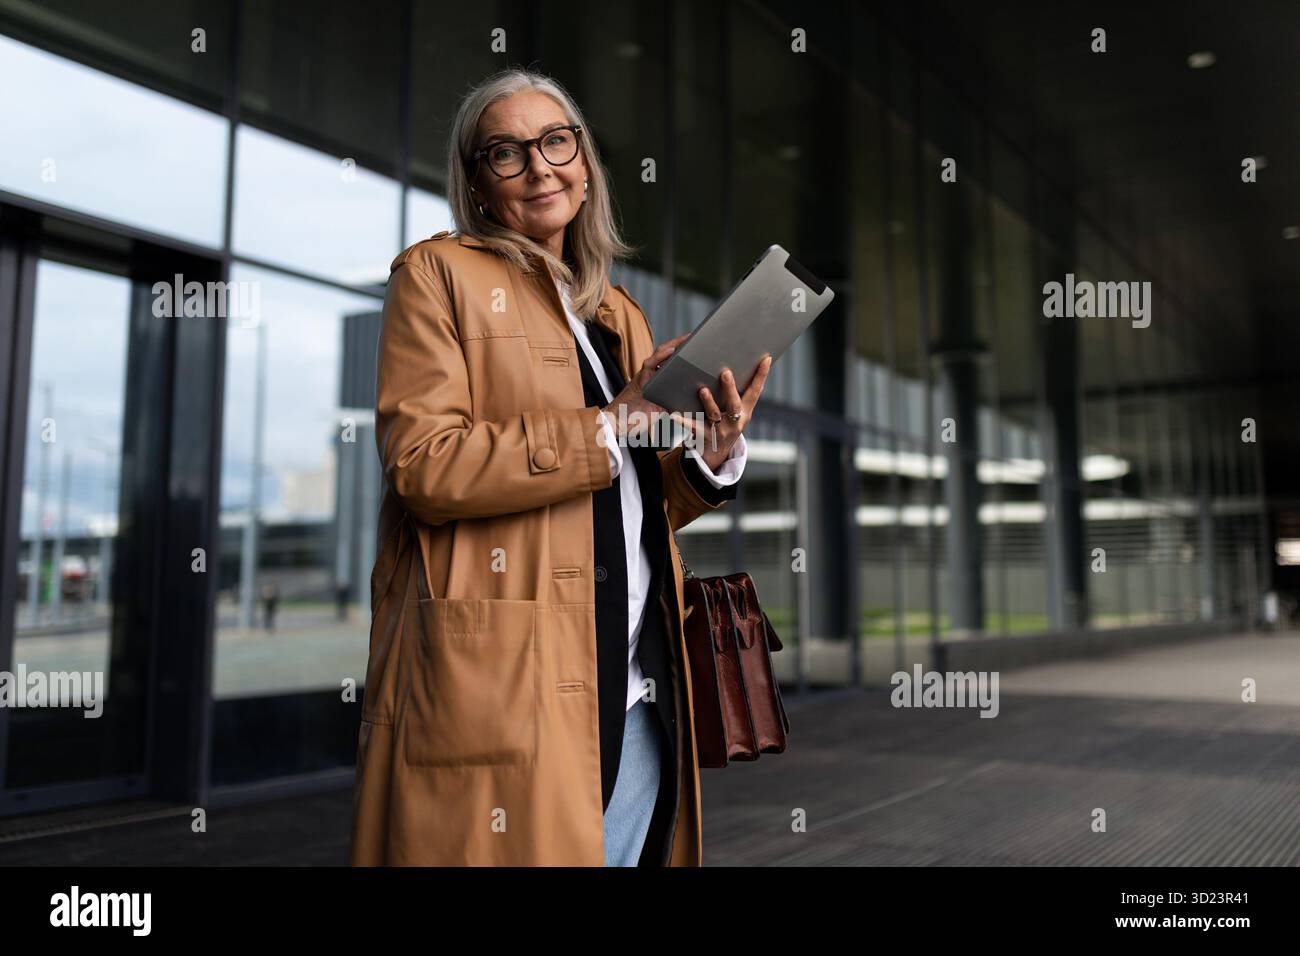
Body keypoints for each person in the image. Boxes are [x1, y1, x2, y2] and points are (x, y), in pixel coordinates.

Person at [349, 68, 771, 867]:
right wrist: (610, 424)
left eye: (555, 141)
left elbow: (628, 502)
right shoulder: (437, 277)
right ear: (476, 185)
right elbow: (424, 467)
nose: (539, 166)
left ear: (584, 161)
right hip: (514, 691)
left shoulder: (617, 315)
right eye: (505, 153)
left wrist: (710, 460)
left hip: (643, 689)